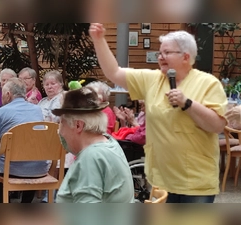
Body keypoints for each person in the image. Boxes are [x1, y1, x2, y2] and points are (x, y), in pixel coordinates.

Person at [89, 23, 227, 203]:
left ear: (186, 56)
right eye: (160, 53)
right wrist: (99, 40)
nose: (160, 57)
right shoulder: (152, 79)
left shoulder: (208, 83)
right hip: (161, 180)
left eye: (167, 53)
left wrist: (188, 104)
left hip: (196, 182)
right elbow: (114, 72)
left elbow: (217, 126)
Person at [52, 86, 134, 203]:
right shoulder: (108, 141)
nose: (60, 131)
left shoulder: (90, 158)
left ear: (78, 125)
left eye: (62, 123)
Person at [0, 78, 48, 203]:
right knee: (29, 158)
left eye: (3, 93)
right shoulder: (37, 110)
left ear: (8, 94)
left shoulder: (2, 112)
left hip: (11, 170)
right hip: (39, 168)